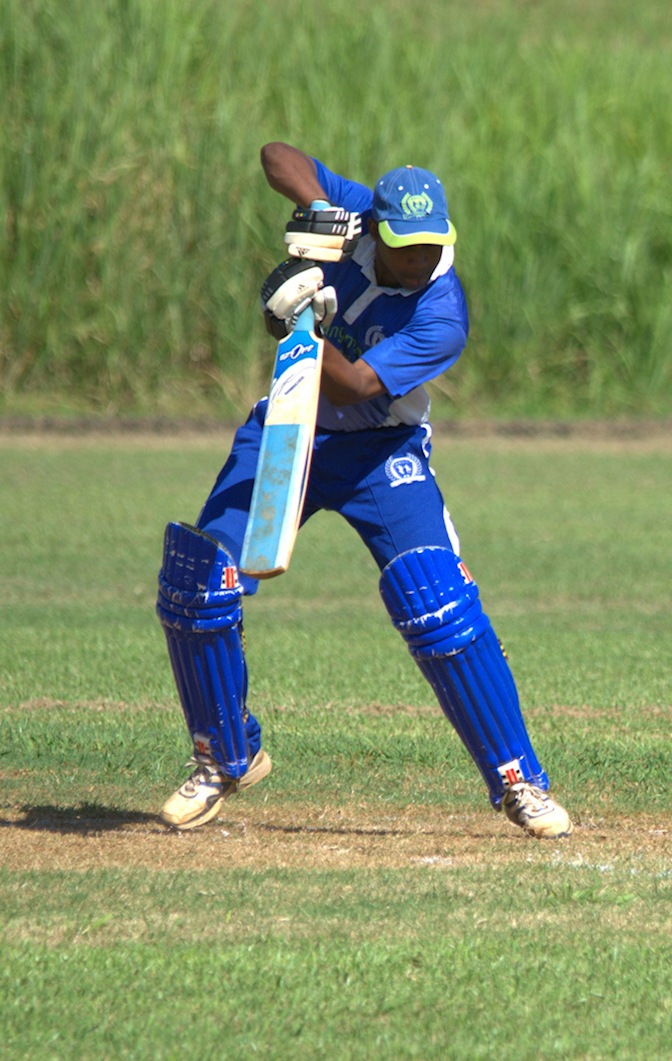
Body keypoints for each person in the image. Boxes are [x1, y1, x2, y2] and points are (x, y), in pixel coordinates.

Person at [153, 142, 572, 838]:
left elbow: (360, 384)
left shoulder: (443, 313)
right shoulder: (355, 220)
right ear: (376, 227)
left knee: (438, 601)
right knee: (201, 581)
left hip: (382, 450)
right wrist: (319, 212)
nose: (419, 260)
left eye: (432, 245)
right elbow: (276, 155)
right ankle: (224, 756)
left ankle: (517, 779)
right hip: (291, 427)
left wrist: (302, 319)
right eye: (405, 246)